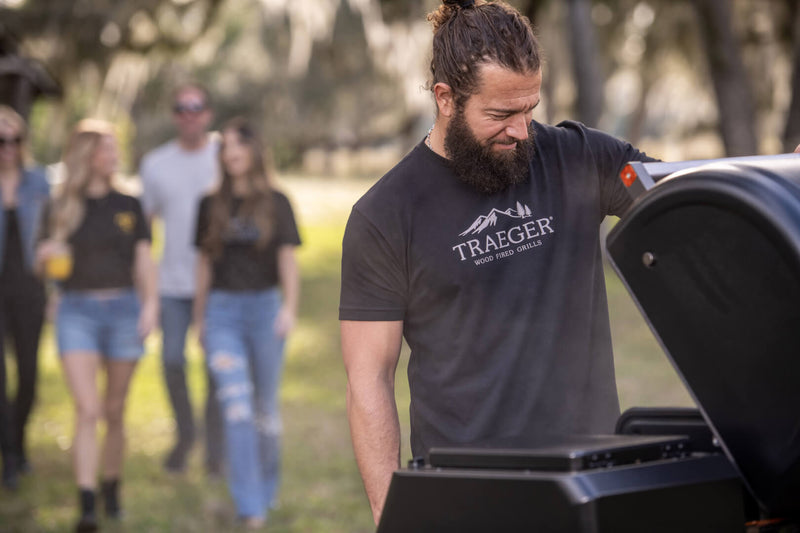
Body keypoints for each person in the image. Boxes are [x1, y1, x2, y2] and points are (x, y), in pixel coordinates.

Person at [339, 0, 661, 524]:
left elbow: (689, 198)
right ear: (445, 98)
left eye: (529, 108)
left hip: (590, 480)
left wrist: (776, 174)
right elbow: (369, 378)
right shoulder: (386, 214)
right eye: (501, 114)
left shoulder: (578, 159)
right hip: (466, 495)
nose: (521, 130)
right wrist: (389, 512)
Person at [36, 119, 157, 532]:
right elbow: (43, 261)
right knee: (88, 409)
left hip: (123, 309)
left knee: (115, 410)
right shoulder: (60, 204)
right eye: (107, 148)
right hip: (77, 312)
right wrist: (46, 256)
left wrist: (150, 305)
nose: (115, 154)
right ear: (87, 154)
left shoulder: (129, 203)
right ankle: (87, 504)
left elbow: (143, 259)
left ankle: (112, 486)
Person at [193, 117, 300, 528]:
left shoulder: (277, 200)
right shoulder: (209, 203)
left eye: (238, 144)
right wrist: (200, 319)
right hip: (221, 313)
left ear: (255, 150)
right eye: (224, 147)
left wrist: (288, 309)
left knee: (264, 411)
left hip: (264, 310)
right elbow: (203, 265)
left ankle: (265, 488)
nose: (230, 152)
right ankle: (250, 504)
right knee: (236, 408)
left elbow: (288, 260)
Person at [139, 82, 223, 475]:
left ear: (207, 112)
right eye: (182, 108)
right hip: (172, 285)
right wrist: (145, 288)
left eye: (197, 106)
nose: (189, 114)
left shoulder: (225, 154)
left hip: (220, 285)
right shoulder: (156, 163)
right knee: (172, 360)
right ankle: (186, 433)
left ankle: (214, 450)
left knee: (215, 368)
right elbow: (144, 229)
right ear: (175, 115)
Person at [0, 105, 49, 490]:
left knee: (29, 376)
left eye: (15, 140)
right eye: (1, 141)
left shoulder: (39, 182)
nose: (8, 148)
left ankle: (18, 442)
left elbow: (54, 234)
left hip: (30, 290)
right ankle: (10, 457)